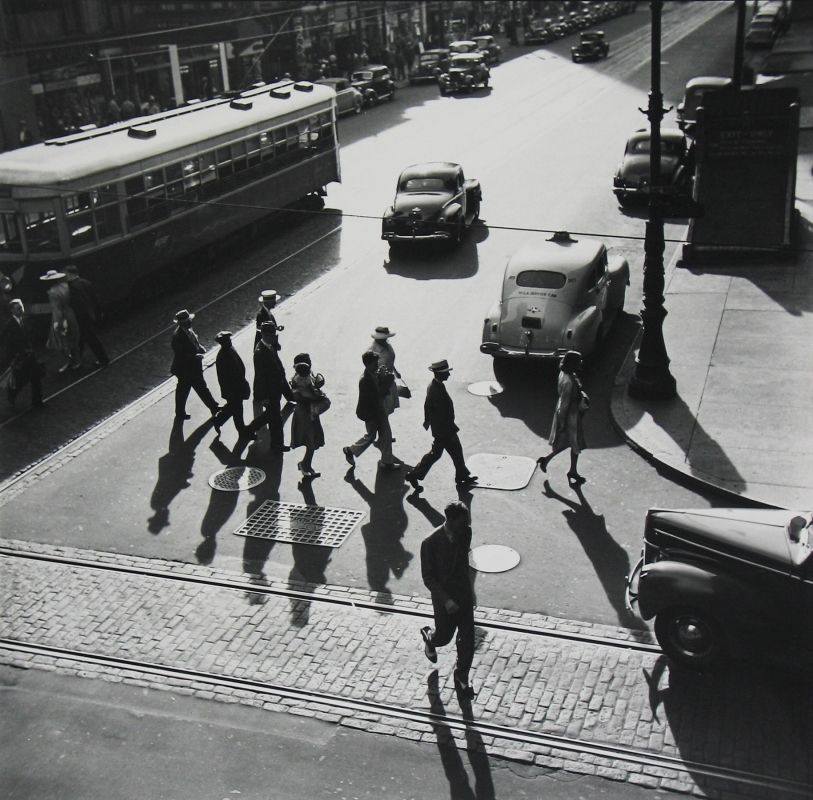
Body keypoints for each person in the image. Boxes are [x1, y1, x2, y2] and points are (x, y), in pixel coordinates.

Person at [420, 501, 476, 698]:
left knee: (468, 639)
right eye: (462, 522)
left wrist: (472, 589)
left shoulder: (466, 532)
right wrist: (446, 600)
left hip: (463, 594)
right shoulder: (430, 542)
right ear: (450, 520)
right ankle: (429, 638)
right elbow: (428, 577)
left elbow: (464, 562)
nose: (466, 525)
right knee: (444, 637)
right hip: (445, 600)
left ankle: (462, 678)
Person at [405, 360, 477, 492]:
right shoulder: (435, 390)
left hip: (444, 429)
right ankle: (461, 475)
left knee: (439, 454)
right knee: (452, 452)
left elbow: (427, 406)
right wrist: (446, 430)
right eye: (446, 373)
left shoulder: (436, 385)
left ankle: (461, 475)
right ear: (439, 374)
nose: (448, 375)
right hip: (444, 431)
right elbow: (437, 413)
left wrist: (428, 421)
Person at [537, 350, 589, 486]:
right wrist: (562, 423)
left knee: (571, 443)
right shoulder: (568, 382)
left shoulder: (565, 374)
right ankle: (570, 470)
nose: (581, 363)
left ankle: (555, 463)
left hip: (570, 413)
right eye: (579, 361)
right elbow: (565, 405)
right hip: (570, 416)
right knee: (574, 442)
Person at [342, 350, 398, 471]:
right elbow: (378, 396)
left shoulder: (372, 374)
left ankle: (387, 462)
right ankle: (351, 450)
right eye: (375, 363)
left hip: (377, 410)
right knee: (372, 436)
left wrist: (384, 377)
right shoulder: (365, 380)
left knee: (385, 435)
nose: (377, 365)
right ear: (367, 364)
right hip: (372, 413)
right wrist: (387, 382)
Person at [247, 321, 294, 451]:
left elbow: (277, 367)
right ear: (266, 335)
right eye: (273, 335)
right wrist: (266, 397)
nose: (275, 337)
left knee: (270, 417)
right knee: (276, 419)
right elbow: (262, 377)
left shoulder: (268, 345)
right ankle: (277, 445)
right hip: (270, 391)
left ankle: (249, 429)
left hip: (275, 389)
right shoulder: (260, 352)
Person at [169, 308, 221, 421]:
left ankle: (213, 407)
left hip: (192, 367)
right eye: (188, 321)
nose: (190, 322)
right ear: (183, 323)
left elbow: (193, 341)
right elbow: (180, 353)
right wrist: (194, 356)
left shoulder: (188, 330)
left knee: (192, 389)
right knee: (191, 389)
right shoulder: (177, 336)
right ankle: (212, 407)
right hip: (184, 369)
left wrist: (199, 347)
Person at [0, 299, 44, 408]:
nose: (21, 310)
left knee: (36, 377)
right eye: (18, 308)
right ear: (12, 311)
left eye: (22, 307)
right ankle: (12, 394)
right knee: (21, 379)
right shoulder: (9, 325)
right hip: (20, 357)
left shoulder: (24, 320)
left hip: (29, 355)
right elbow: (7, 342)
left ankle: (37, 402)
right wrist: (16, 355)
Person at [64, 265, 108, 367]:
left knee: (90, 339)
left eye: (66, 274)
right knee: (81, 339)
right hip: (89, 315)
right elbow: (95, 298)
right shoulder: (85, 282)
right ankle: (77, 359)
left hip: (81, 318)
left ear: (70, 274)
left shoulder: (72, 287)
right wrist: (99, 312)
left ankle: (103, 359)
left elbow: (77, 305)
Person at [289, 354, 326, 478]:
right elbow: (309, 395)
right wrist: (318, 393)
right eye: (308, 362)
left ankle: (306, 464)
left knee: (313, 441)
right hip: (305, 413)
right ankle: (305, 465)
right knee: (311, 440)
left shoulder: (306, 375)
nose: (310, 363)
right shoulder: (299, 379)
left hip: (309, 411)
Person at [39, 269, 80, 372]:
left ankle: (68, 361)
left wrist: (58, 323)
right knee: (73, 338)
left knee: (61, 341)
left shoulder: (52, 292)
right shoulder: (66, 286)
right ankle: (77, 360)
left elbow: (57, 310)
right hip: (70, 313)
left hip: (61, 316)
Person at [212, 331, 251, 437]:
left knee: (233, 407)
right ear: (223, 343)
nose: (230, 341)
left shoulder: (229, 350)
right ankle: (242, 431)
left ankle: (218, 420)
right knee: (237, 409)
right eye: (227, 340)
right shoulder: (223, 356)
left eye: (229, 340)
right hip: (232, 388)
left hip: (236, 386)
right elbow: (228, 377)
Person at [369, 326, 401, 416]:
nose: (386, 339)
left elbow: (389, 359)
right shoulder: (373, 350)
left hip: (389, 379)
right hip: (380, 382)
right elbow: (370, 367)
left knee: (388, 407)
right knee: (382, 407)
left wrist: (395, 371)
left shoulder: (387, 345)